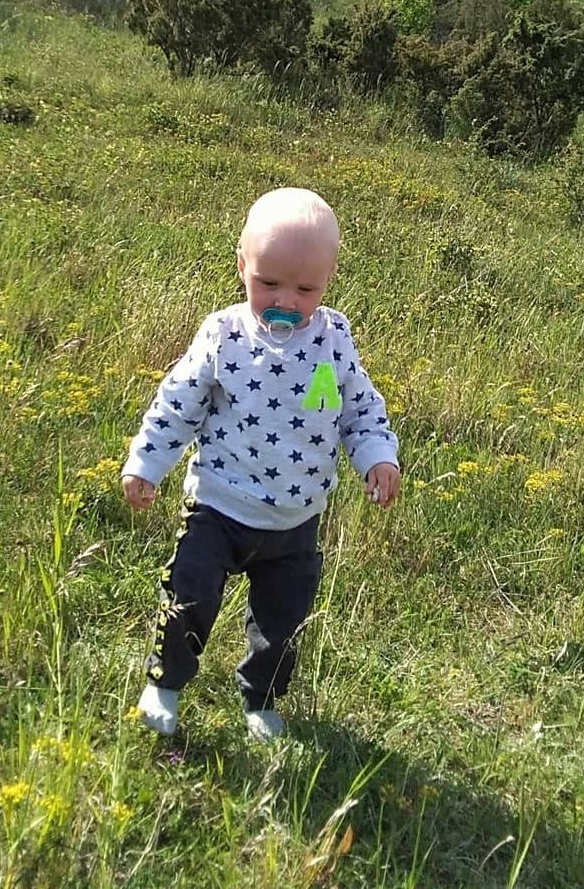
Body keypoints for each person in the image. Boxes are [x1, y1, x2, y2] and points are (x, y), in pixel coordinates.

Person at [121, 187, 400, 741]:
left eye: (305, 289)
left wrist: (377, 456)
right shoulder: (223, 335)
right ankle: (165, 683)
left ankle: (261, 699)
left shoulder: (333, 339)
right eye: (268, 283)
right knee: (189, 595)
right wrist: (147, 463)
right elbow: (179, 402)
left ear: (329, 279)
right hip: (218, 505)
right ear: (241, 265)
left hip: (296, 521)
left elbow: (359, 407)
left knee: (282, 622)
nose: (286, 301)